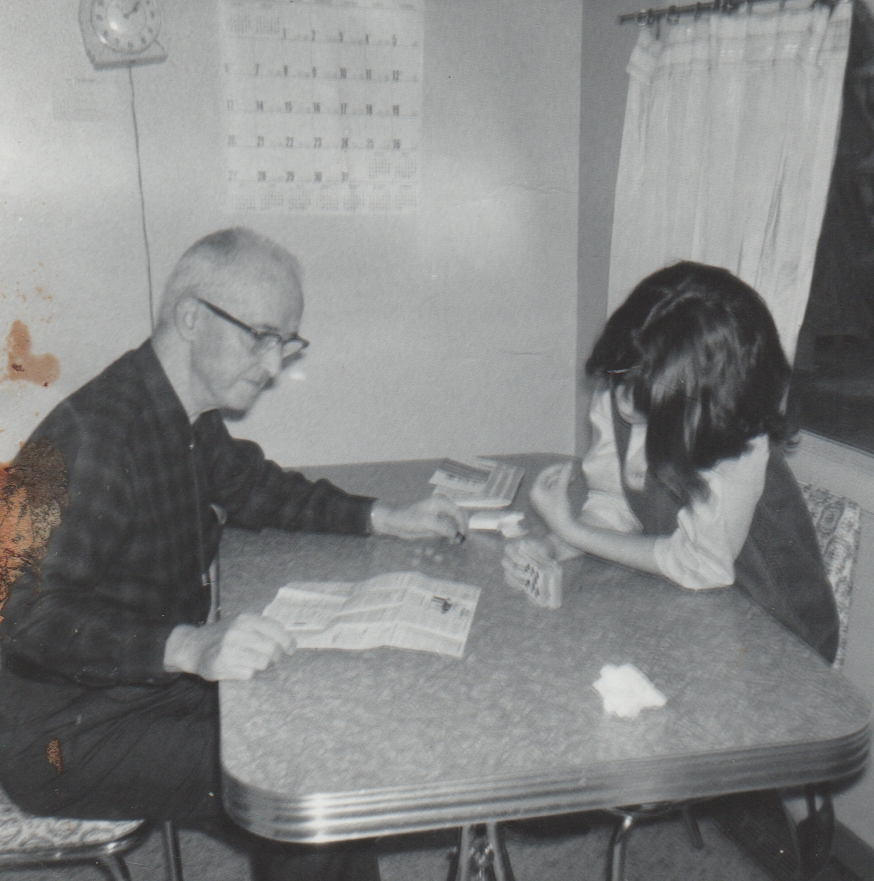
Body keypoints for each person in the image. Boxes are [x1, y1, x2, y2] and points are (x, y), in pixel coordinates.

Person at [0, 227, 467, 881]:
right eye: (263, 337)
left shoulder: (183, 412)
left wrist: (383, 516)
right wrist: (188, 645)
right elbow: (24, 621)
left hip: (144, 690)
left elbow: (255, 485)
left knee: (320, 726)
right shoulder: (94, 441)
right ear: (192, 317)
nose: (275, 367)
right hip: (66, 734)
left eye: (287, 344)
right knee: (302, 779)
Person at [502, 260, 839, 663]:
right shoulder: (627, 383)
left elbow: (703, 566)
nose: (621, 401)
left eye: (641, 392)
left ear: (702, 399)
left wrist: (573, 532)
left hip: (778, 628)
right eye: (620, 381)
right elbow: (615, 505)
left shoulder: (738, 439)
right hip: (691, 603)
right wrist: (558, 545)